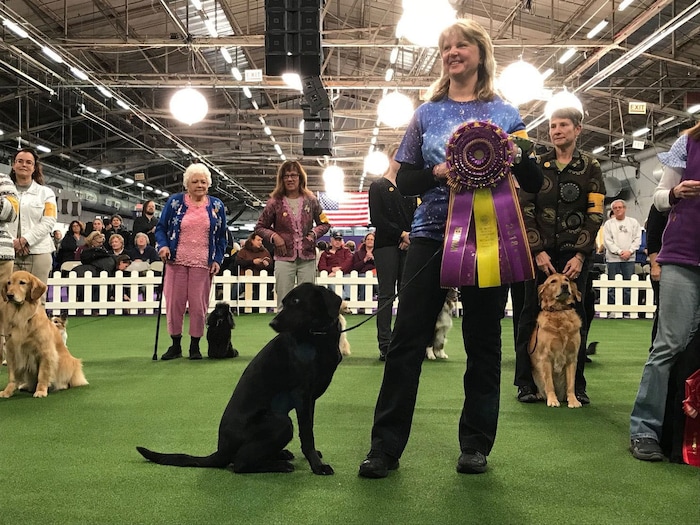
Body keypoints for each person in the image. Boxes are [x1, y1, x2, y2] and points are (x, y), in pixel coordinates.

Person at [358, 19, 543, 478]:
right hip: (430, 235)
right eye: (445, 47)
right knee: (406, 341)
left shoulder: (506, 113)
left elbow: (535, 182)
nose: (451, 52)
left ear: (480, 53)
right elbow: (404, 182)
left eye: (461, 45)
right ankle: (385, 448)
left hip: (490, 239)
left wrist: (516, 152)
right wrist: (440, 173)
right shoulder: (426, 113)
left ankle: (475, 445)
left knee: (483, 342)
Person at [513, 107, 606, 405]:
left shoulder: (591, 166)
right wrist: (537, 250)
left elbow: (596, 212)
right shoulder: (537, 164)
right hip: (538, 254)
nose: (556, 130)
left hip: (575, 255)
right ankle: (525, 383)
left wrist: (581, 255)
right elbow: (525, 209)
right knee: (528, 316)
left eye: (563, 125)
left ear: (578, 129)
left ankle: (576, 386)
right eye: (552, 126)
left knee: (580, 317)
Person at [629, 121, 700, 461]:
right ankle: (644, 429)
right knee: (669, 344)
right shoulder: (687, 144)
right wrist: (674, 193)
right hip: (683, 257)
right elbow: (658, 200)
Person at [155, 163, 227, 361]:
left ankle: (195, 346)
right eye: (195, 181)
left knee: (198, 306)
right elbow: (161, 228)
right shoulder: (175, 202)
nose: (199, 185)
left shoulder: (217, 206)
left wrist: (217, 259)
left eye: (203, 181)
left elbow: (222, 237)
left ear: (209, 184)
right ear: (187, 184)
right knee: (174, 304)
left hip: (202, 263)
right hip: (175, 261)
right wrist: (163, 246)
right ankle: (175, 344)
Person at [255, 160, 330, 311]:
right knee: (284, 301)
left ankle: (304, 334)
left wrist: (312, 234)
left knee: (307, 301)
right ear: (281, 179)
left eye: (293, 175)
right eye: (286, 176)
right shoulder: (274, 202)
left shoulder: (312, 200)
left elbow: (325, 224)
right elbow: (260, 227)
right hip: (283, 258)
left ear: (300, 177)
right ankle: (284, 334)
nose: (290, 179)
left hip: (307, 258)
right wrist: (275, 237)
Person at [368, 144, 417, 360]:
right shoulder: (377, 186)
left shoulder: (410, 188)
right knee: (387, 294)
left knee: (407, 295)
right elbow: (377, 219)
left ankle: (404, 341)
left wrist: (409, 237)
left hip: (408, 244)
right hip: (386, 245)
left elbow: (417, 216)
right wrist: (401, 235)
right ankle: (385, 344)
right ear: (390, 158)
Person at [8, 147, 57, 287]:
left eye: (29, 162)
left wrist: (25, 240)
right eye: (20, 161)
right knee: (6, 298)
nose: (24, 165)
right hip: (8, 252)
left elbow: (49, 221)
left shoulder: (46, 193)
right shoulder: (3, 191)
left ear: (34, 167)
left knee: (36, 300)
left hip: (39, 252)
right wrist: (13, 243)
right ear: (13, 165)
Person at [603, 199, 641, 311]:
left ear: (625, 208)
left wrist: (630, 251)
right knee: (612, 285)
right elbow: (607, 241)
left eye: (620, 207)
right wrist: (619, 252)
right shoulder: (608, 224)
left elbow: (637, 239)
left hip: (629, 259)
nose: (618, 209)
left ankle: (627, 310)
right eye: (615, 208)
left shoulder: (633, 222)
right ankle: (611, 310)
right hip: (613, 259)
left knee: (628, 285)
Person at [0, 170, 18, 364]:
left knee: (2, 309)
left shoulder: (3, 180)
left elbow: (12, 213)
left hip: (1, 255)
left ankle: (3, 355)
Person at [235, 233, 272, 300]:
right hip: (244, 279)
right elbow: (237, 263)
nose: (260, 242)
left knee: (263, 291)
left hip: (261, 280)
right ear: (252, 240)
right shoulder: (243, 251)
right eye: (258, 240)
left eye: (261, 240)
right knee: (236, 289)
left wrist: (267, 265)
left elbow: (271, 266)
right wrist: (252, 262)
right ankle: (230, 304)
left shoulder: (265, 252)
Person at [352, 231, 377, 301]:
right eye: (368, 239)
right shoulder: (357, 253)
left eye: (372, 239)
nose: (370, 241)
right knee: (363, 278)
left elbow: (383, 266)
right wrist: (364, 260)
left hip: (375, 274)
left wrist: (373, 259)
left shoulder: (378, 253)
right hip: (362, 273)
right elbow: (355, 267)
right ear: (365, 241)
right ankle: (362, 303)